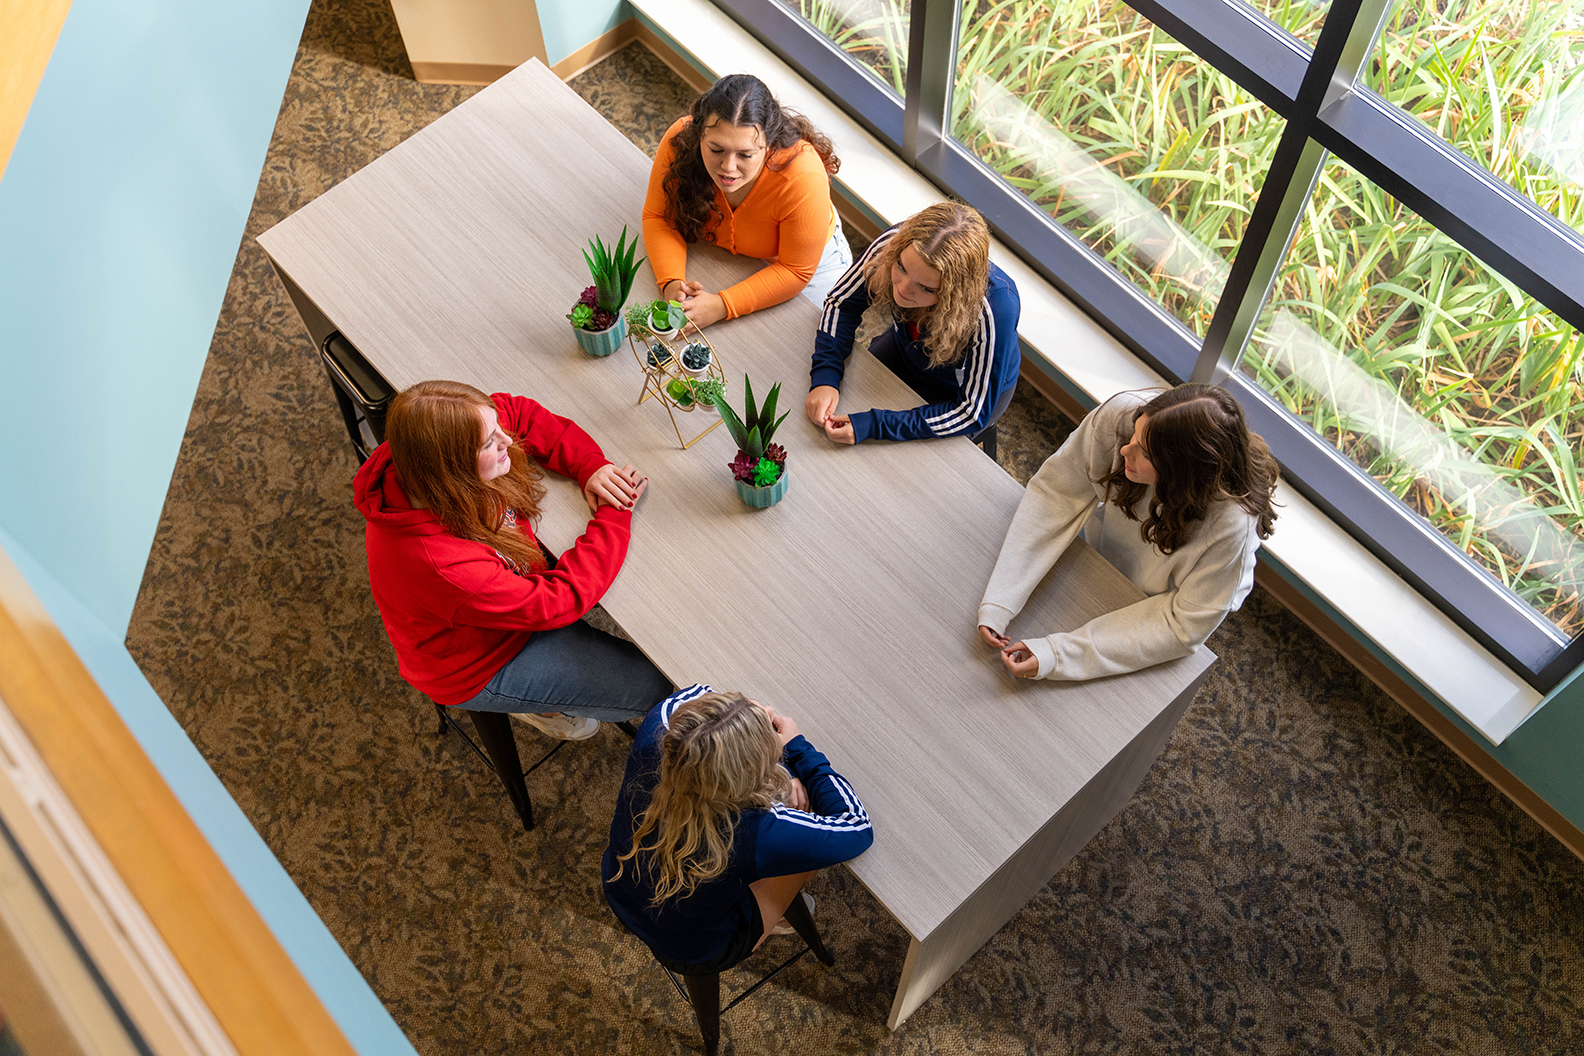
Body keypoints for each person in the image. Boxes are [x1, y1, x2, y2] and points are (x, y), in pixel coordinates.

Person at [354, 380, 672, 740]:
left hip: (502, 593)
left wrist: (590, 466)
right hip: (485, 659)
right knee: (663, 690)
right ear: (452, 469)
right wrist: (616, 510)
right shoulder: (440, 565)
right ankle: (536, 704)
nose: (507, 440)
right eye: (490, 443)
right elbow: (557, 601)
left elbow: (517, 413)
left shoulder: (431, 444)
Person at [978, 384, 1279, 680]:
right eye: (1135, 434)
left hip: (1175, 591)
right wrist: (1000, 600)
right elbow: (1057, 493)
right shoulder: (1122, 417)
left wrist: (1058, 656)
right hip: (1108, 556)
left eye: (1144, 453)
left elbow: (1181, 625)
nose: (1125, 449)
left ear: (1182, 474)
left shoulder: (1232, 525)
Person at [603, 685, 873, 971]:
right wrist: (796, 748)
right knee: (803, 805)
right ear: (743, 780)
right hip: (693, 949)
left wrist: (740, 719)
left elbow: (698, 690)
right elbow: (856, 828)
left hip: (620, 888)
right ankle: (777, 916)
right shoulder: (752, 830)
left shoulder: (660, 723)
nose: (768, 712)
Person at [806, 201, 1021, 445]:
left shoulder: (995, 308)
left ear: (954, 294)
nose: (903, 290)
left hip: (962, 388)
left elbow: (971, 412)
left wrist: (877, 425)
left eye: (926, 288)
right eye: (901, 267)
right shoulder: (896, 244)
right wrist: (826, 375)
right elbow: (841, 304)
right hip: (905, 348)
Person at [642, 74, 848, 328]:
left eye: (746, 154)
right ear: (699, 135)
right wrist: (672, 282)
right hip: (727, 255)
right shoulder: (680, 141)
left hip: (808, 266)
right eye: (716, 149)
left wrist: (722, 305)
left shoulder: (803, 176)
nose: (728, 168)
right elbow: (659, 216)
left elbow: (795, 270)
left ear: (769, 144)